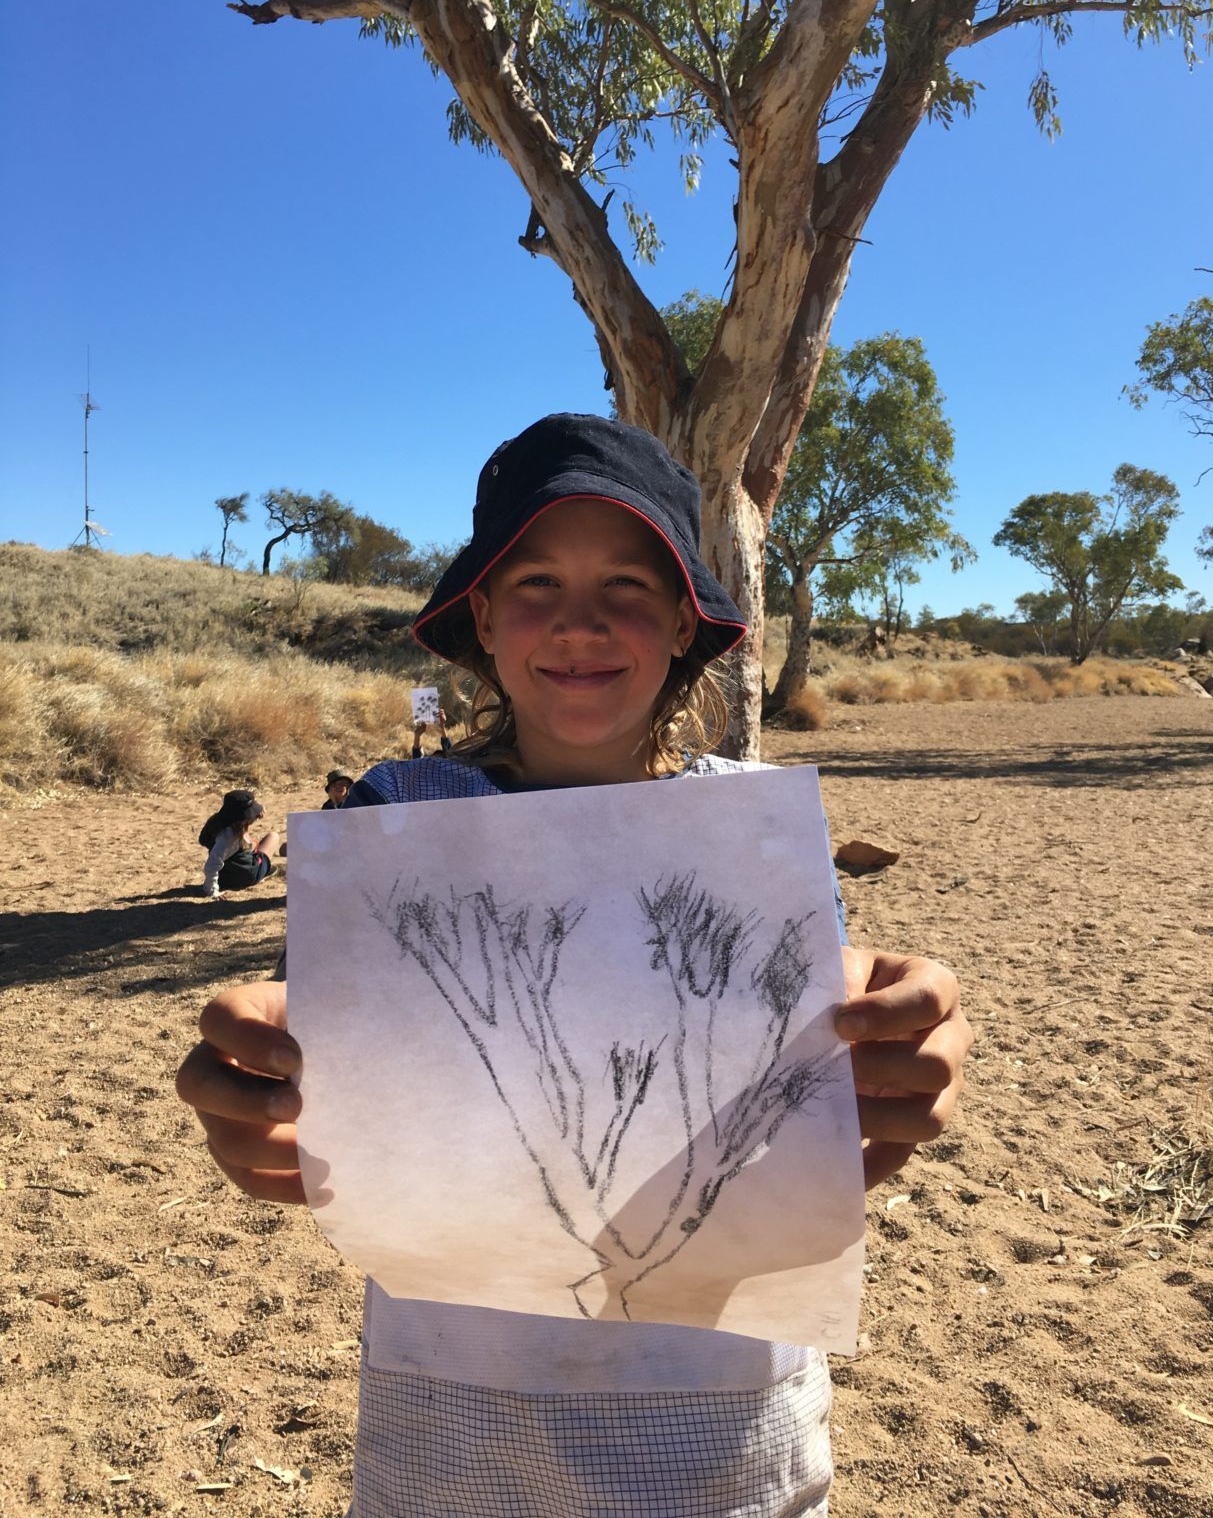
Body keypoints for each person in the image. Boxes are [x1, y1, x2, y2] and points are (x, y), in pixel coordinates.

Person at [176, 413, 974, 1518]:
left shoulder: (747, 835)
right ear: (487, 623)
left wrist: (886, 1083)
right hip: (453, 1430)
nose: (581, 623)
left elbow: (805, 1123)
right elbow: (325, 1065)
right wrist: (257, 1085)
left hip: (723, 1430)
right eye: (538, 583)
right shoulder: (398, 816)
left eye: (630, 587)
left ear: (687, 624)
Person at [198, 789, 280, 900]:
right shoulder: (229, 836)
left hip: (225, 877)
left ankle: (264, 866)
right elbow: (212, 864)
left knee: (253, 843)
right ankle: (263, 870)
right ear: (243, 818)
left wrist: (255, 815)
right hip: (245, 875)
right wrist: (212, 891)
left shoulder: (220, 824)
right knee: (273, 837)